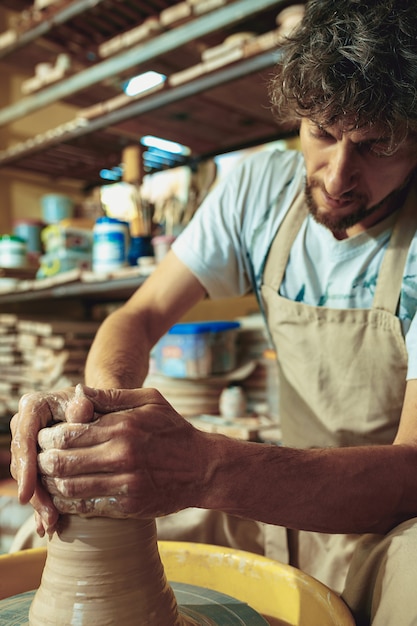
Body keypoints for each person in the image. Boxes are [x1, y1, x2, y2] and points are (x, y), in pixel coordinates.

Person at [9, 0, 417, 623]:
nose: (338, 176)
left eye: (376, 145)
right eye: (324, 134)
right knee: (45, 538)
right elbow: (138, 317)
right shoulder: (260, 187)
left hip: (387, 513)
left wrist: (205, 467)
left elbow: (409, 473)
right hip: (280, 485)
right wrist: (100, 421)